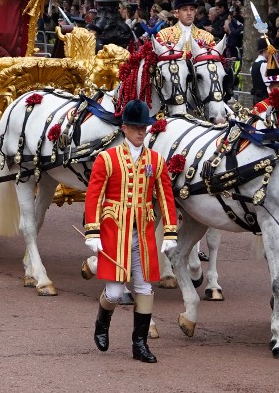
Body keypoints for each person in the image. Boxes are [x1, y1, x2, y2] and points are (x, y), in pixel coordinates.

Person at [83, 99, 177, 362]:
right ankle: (102, 322)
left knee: (145, 289)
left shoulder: (156, 161)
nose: (140, 132)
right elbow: (94, 196)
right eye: (135, 127)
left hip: (143, 232)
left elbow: (166, 197)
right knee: (114, 293)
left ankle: (140, 344)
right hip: (116, 231)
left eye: (143, 128)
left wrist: (170, 232)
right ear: (124, 128)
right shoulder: (107, 158)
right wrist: (92, 231)